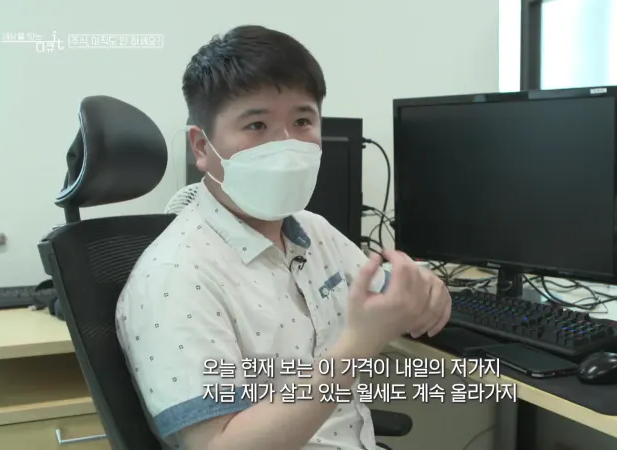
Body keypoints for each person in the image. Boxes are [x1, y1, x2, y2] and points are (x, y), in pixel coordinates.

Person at [115, 25, 451, 450]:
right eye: (257, 125)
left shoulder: (313, 230)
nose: (287, 145)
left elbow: (397, 298)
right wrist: (359, 344)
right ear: (201, 147)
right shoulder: (175, 275)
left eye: (302, 121)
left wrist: (425, 291)